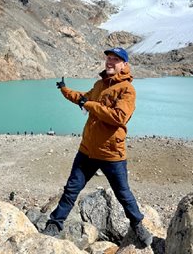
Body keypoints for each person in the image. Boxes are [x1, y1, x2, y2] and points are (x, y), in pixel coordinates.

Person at [42, 47, 153, 247]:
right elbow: (83, 98)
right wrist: (65, 90)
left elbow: (118, 117)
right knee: (71, 189)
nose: (110, 62)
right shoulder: (99, 84)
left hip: (112, 154)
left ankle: (137, 225)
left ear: (124, 65)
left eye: (115, 59)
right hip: (87, 151)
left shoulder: (127, 89)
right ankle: (54, 224)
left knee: (123, 194)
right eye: (108, 58)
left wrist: (89, 104)